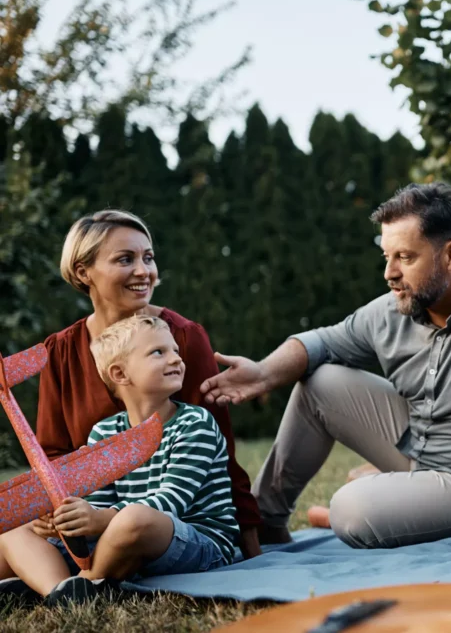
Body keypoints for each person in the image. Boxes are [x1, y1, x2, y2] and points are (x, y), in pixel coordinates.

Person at [200, 182, 451, 553]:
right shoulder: (393, 308)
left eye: (405, 257)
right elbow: (320, 342)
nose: (389, 273)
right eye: (386, 257)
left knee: (351, 509)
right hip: (422, 452)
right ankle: (264, 522)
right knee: (321, 382)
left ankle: (396, 498)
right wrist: (262, 374)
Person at [2, 210, 259, 577]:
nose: (144, 271)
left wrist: (254, 551)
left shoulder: (182, 338)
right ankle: (62, 591)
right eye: (126, 259)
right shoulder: (60, 352)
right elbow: (54, 457)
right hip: (94, 518)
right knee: (10, 541)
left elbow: (220, 457)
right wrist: (54, 512)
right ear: (82, 271)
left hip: (165, 523)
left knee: (130, 526)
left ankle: (84, 582)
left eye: (148, 258)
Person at [0, 315, 238, 605]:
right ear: (120, 374)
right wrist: (67, 522)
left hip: (197, 540)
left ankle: (88, 583)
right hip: (121, 538)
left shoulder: (195, 422)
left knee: (135, 518)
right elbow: (98, 503)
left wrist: (101, 518)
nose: (176, 359)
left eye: (175, 350)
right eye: (158, 352)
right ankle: (59, 591)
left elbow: (174, 500)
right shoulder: (105, 431)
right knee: (15, 528)